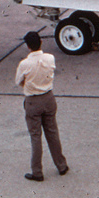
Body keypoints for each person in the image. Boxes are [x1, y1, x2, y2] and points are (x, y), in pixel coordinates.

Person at [15, 31, 68, 182]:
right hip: (49, 98)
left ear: (28, 46)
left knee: (35, 137)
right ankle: (61, 165)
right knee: (52, 132)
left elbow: (18, 81)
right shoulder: (50, 58)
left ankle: (37, 171)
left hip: (33, 101)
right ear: (41, 43)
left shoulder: (24, 64)